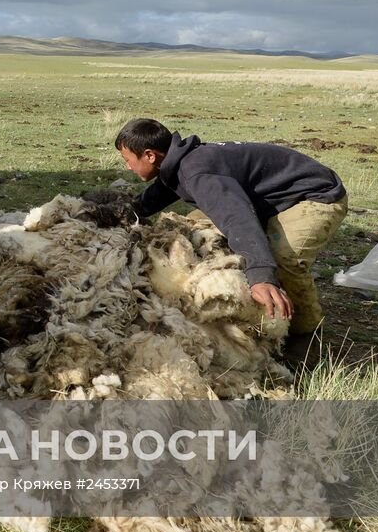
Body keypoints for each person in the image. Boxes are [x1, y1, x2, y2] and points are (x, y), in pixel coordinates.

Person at [114, 118, 348, 355]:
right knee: (196, 230)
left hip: (315, 196)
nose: (128, 167)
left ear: (150, 155)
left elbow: (238, 219)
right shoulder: (181, 164)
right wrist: (124, 212)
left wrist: (261, 274)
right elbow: (161, 192)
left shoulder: (197, 172)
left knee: (284, 259)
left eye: (128, 160)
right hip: (273, 197)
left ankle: (305, 339)